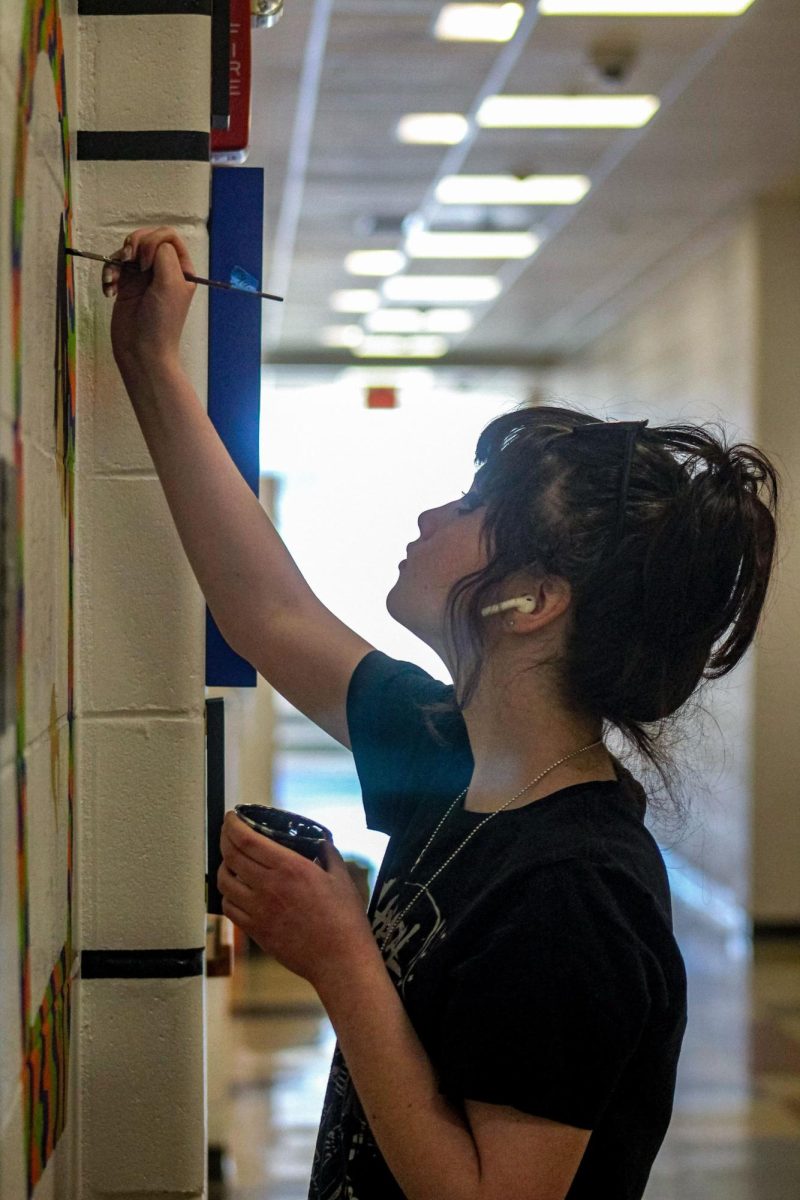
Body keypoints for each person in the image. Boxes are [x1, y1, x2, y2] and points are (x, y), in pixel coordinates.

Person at [104, 228, 780, 1200]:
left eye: (470, 507)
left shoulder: (576, 893)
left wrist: (339, 958)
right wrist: (149, 360)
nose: (431, 517)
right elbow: (269, 613)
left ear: (532, 602)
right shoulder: (450, 754)